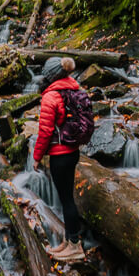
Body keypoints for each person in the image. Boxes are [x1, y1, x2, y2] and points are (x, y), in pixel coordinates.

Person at [32, 55, 85, 261]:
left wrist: (37, 157)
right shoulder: (74, 90)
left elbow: (45, 132)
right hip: (72, 152)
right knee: (67, 199)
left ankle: (75, 247)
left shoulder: (51, 97)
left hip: (59, 155)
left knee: (66, 200)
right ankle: (68, 241)